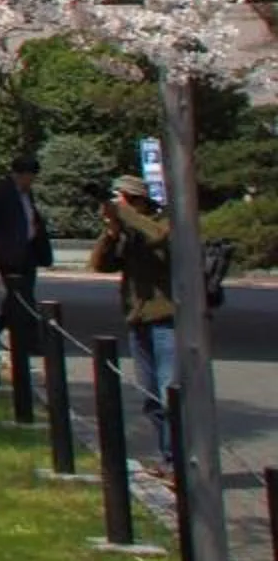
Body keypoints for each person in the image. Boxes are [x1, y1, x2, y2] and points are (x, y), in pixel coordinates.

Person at [89, 174, 177, 478]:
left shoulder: (162, 222)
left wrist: (124, 213)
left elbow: (158, 238)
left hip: (168, 320)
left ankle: (181, 462)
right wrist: (112, 232)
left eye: (123, 199)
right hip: (139, 320)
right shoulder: (128, 230)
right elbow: (101, 264)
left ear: (138, 201)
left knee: (171, 395)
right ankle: (168, 458)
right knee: (152, 397)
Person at [0, 150, 52, 360]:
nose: (31, 182)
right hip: (8, 253)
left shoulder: (27, 194)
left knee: (21, 297)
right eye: (30, 177)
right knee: (21, 295)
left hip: (28, 251)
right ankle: (16, 336)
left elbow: (30, 218)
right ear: (21, 174)